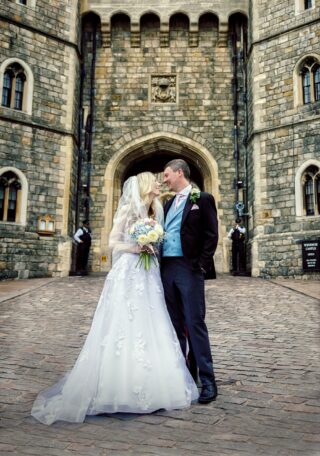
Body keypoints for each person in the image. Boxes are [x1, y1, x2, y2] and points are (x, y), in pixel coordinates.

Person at [31, 172, 198, 425]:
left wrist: (152, 243)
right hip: (129, 271)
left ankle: (151, 382)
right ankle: (116, 387)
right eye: (154, 181)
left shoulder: (155, 210)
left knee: (150, 321)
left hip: (149, 273)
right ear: (144, 186)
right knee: (124, 322)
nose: (158, 183)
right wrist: (137, 246)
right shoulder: (129, 210)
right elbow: (112, 242)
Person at [161, 159, 219, 404]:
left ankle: (208, 380)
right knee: (175, 325)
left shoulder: (202, 199)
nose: (164, 179)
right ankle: (185, 377)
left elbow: (211, 234)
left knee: (194, 323)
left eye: (166, 175)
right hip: (167, 268)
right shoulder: (167, 202)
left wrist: (201, 264)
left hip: (189, 267)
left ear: (179, 173)